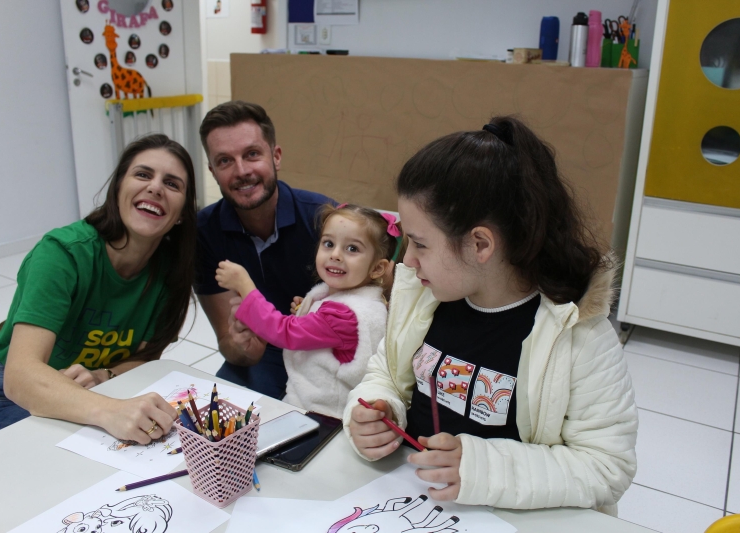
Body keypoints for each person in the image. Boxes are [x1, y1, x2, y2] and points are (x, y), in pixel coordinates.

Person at [344, 116, 638, 515]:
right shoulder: (423, 297)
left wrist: (483, 469)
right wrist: (379, 411)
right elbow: (387, 373)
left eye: (421, 244)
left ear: (480, 244)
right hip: (406, 503)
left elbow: (606, 466)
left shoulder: (577, 334)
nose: (407, 261)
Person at [0, 134, 197, 441]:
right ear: (117, 189)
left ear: (182, 213)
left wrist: (104, 376)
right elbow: (19, 377)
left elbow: (145, 358)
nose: (155, 187)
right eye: (143, 174)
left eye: (172, 184)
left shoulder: (170, 272)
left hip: (96, 389)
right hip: (10, 385)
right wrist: (110, 411)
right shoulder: (62, 254)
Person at [196, 100, 334, 399]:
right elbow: (229, 344)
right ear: (212, 170)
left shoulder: (324, 217)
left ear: (276, 156)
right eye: (224, 161)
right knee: (210, 414)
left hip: (326, 355)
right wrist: (244, 347)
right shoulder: (204, 233)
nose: (242, 171)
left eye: (252, 154)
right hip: (265, 358)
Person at [215, 204, 401, 417]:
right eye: (329, 244)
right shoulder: (354, 302)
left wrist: (245, 287)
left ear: (377, 268)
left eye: (352, 249)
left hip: (322, 416)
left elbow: (284, 331)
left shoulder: (343, 316)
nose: (336, 255)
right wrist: (310, 313)